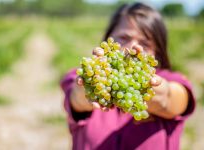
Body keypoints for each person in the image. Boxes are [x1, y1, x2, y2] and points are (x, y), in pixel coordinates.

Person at [60, 2, 195, 150]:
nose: (132, 47)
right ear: (108, 38)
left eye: (145, 43)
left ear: (157, 51)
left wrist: (147, 89)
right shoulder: (88, 75)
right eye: (124, 37)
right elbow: (76, 97)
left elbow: (168, 98)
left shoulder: (174, 81)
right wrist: (89, 87)